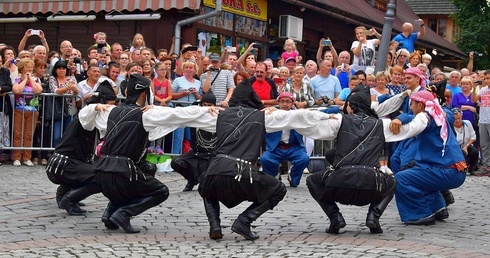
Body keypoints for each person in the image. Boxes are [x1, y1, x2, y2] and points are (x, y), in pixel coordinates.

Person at [78, 74, 221, 234]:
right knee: (160, 191)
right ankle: (123, 214)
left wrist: (95, 107)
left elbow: (84, 116)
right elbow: (178, 114)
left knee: (145, 170)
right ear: (145, 94)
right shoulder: (145, 114)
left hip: (100, 172)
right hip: (121, 172)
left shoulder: (111, 111)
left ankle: (109, 213)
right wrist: (206, 109)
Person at [198, 79, 287, 241]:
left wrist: (153, 109)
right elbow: (298, 117)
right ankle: (244, 221)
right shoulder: (263, 116)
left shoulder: (218, 114)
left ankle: (214, 224)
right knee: (279, 189)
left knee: (206, 182)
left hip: (217, 170)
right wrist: (280, 110)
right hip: (244, 174)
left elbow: (181, 116)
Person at [390, 90, 466, 225]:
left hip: (446, 171)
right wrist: (401, 118)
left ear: (420, 106)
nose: (411, 107)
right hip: (458, 170)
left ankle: (420, 214)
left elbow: (420, 121)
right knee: (419, 173)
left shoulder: (427, 119)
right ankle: (438, 208)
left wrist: (405, 121)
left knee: (402, 178)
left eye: (412, 104)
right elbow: (446, 112)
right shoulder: (441, 115)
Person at [46, 81, 116, 216]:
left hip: (68, 165)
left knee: (91, 168)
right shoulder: (87, 117)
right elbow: (87, 111)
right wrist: (96, 106)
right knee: (101, 177)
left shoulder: (96, 121)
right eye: (108, 104)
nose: (109, 108)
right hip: (62, 166)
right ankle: (69, 199)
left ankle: (65, 192)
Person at [259, 92, 309, 187]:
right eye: (282, 101)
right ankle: (274, 175)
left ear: (292, 103)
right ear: (278, 103)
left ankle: (293, 177)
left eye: (288, 102)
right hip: (275, 148)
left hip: (294, 147)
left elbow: (313, 115)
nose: (285, 104)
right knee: (264, 159)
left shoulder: (298, 115)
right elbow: (259, 115)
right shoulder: (272, 114)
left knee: (304, 159)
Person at [171, 91, 217, 191]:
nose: (206, 108)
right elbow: (177, 113)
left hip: (211, 156)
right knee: (176, 162)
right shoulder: (195, 116)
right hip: (196, 152)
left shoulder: (218, 118)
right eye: (204, 105)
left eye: (209, 105)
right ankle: (191, 179)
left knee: (205, 180)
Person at [12, 59, 43, 166]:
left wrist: (31, 80)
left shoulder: (37, 79)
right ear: (21, 68)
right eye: (27, 67)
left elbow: (38, 91)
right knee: (18, 135)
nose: (30, 69)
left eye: (31, 67)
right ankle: (16, 157)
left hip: (33, 111)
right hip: (19, 110)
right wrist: (25, 80)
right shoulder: (17, 79)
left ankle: (26, 157)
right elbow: (17, 91)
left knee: (29, 135)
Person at [472, 70, 490, 176]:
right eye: (486, 78)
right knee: (484, 145)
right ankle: (486, 166)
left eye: (489, 78)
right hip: (483, 120)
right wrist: (474, 88)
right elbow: (474, 99)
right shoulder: (482, 90)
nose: (487, 80)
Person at [452, 108, 479, 174]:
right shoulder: (450, 127)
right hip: (455, 148)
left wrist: (466, 146)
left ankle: (472, 167)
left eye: (459, 118)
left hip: (466, 146)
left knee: (474, 152)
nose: (457, 121)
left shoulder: (467, 123)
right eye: (455, 119)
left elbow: (473, 136)